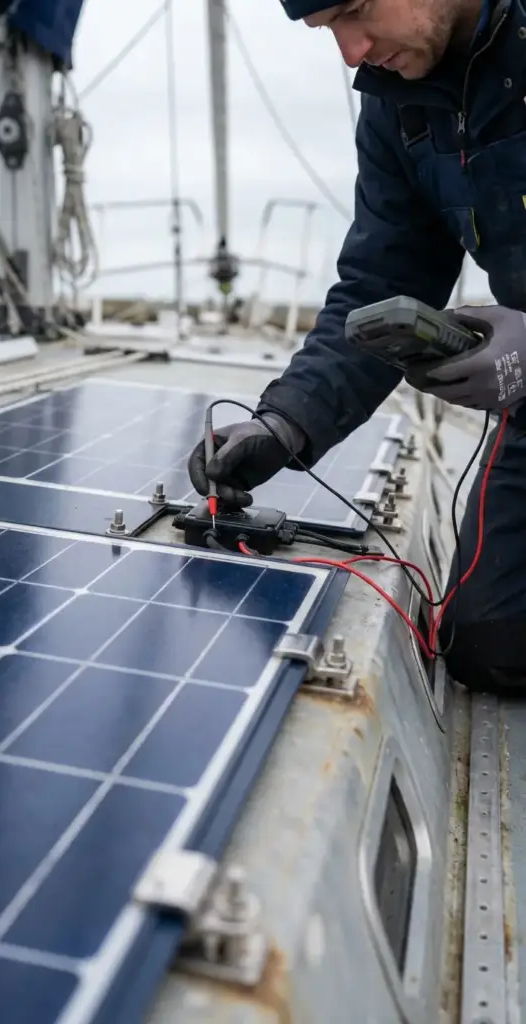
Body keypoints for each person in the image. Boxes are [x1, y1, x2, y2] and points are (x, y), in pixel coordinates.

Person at [188, 0, 526, 695]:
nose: (351, 52)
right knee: (488, 641)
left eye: (357, 10)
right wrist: (288, 420)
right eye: (327, 30)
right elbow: (382, 278)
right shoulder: (398, 101)